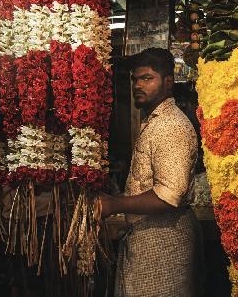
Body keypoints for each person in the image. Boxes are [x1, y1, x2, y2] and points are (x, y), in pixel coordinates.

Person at [99, 48, 203, 297]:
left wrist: (114, 204)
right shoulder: (154, 120)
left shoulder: (171, 126)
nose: (138, 85)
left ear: (168, 83)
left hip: (163, 246)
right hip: (147, 243)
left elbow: (169, 196)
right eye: (135, 79)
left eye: (147, 78)